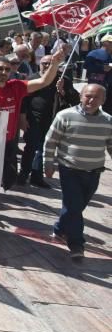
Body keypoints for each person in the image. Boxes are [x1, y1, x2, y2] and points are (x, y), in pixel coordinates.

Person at [0, 47, 67, 243]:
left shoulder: (16, 86)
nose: (3, 73)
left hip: (7, 144)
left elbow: (43, 82)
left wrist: (55, 64)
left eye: (7, 70)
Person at [43, 84, 112, 258]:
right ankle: (76, 244)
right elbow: (51, 141)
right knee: (74, 205)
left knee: (76, 207)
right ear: (81, 96)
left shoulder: (108, 121)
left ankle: (59, 228)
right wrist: (48, 163)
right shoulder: (65, 116)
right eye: (88, 96)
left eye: (96, 97)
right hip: (69, 169)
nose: (91, 100)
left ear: (103, 100)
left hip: (94, 171)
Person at [18, 54, 79, 188]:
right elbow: (23, 100)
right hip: (33, 119)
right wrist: (22, 119)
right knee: (31, 147)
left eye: (50, 63)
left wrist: (63, 90)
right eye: (44, 63)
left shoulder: (63, 79)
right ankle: (23, 174)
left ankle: (37, 176)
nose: (46, 66)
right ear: (39, 64)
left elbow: (75, 100)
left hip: (53, 120)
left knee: (44, 150)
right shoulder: (33, 78)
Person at [84, 35, 112, 115]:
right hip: (96, 85)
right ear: (105, 43)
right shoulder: (94, 53)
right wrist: (102, 68)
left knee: (108, 109)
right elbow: (87, 66)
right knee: (92, 106)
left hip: (109, 86)